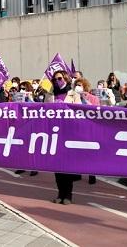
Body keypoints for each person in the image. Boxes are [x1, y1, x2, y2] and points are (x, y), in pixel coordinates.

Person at [48, 70, 82, 204]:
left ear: (66, 79)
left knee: (67, 165)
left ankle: (68, 195)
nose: (57, 81)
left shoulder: (73, 94)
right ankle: (60, 193)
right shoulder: (50, 94)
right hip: (54, 133)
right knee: (57, 167)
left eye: (60, 78)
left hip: (68, 132)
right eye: (55, 79)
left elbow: (79, 111)